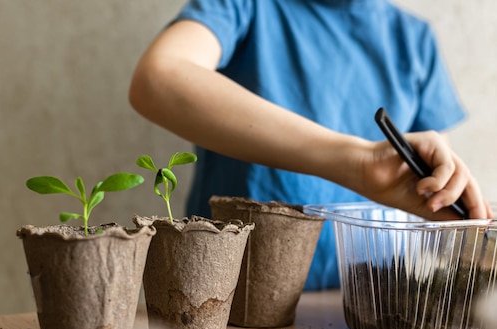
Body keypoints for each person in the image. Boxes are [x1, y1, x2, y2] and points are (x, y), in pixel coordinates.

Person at [128, 0, 493, 290]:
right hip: (226, 295)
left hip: (362, 304)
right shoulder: (244, 5)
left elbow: (434, 185)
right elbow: (158, 80)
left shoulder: (415, 41)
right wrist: (356, 163)